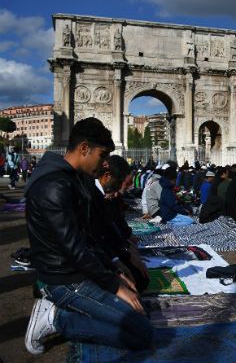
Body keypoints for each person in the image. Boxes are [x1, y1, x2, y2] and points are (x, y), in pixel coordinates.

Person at [24, 118, 152, 354]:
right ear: (84, 148)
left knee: (137, 304)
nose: (105, 164)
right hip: (63, 281)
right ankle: (55, 319)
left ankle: (71, 311)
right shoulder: (55, 185)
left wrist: (113, 270)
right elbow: (74, 249)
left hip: (75, 272)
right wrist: (114, 285)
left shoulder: (73, 179)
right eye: (102, 155)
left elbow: (89, 237)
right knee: (141, 332)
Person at [90, 155, 150, 293]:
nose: (118, 193)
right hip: (95, 255)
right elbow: (94, 240)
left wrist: (126, 251)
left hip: (106, 249)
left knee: (140, 279)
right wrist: (117, 265)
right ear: (107, 176)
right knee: (134, 284)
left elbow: (113, 227)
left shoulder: (105, 194)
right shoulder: (89, 194)